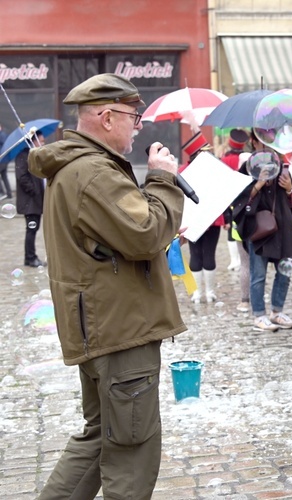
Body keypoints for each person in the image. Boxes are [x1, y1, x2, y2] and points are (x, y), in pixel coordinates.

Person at [28, 73, 186, 498]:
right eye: (134, 117)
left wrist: (159, 219)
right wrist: (162, 180)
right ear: (105, 115)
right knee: (131, 450)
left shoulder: (78, 166)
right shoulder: (94, 171)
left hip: (103, 323)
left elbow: (120, 237)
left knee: (102, 436)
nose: (139, 126)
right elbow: (145, 234)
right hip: (120, 330)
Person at [242, 131, 292, 332]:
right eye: (260, 142)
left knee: (284, 272)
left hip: (282, 228)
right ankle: (259, 315)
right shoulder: (247, 168)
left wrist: (288, 190)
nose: (265, 146)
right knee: (258, 274)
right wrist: (258, 184)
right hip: (259, 229)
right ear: (253, 142)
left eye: (269, 142)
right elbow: (240, 201)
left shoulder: (282, 168)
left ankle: (277, 311)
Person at [181, 132, 225, 304]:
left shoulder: (210, 169)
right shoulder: (186, 171)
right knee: (197, 254)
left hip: (210, 219)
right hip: (196, 220)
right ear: (197, 153)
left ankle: (207, 292)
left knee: (207, 254)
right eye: (203, 151)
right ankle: (200, 292)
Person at [15, 130, 47, 267]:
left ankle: (31, 257)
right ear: (33, 140)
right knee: (31, 229)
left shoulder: (34, 155)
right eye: (41, 140)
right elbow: (22, 177)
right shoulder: (23, 155)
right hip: (29, 200)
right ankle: (30, 257)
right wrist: (34, 191)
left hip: (36, 199)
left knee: (34, 228)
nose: (42, 143)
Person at [220, 128, 249, 271]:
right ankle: (242, 258)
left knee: (231, 230)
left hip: (228, 199)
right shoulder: (248, 159)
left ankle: (234, 260)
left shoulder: (224, 160)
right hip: (245, 198)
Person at [0, 124, 12, 200]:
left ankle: (2, 192)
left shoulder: (2, 135)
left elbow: (4, 145)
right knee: (4, 176)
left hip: (3, 159)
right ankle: (8, 193)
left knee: (4, 176)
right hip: (3, 159)